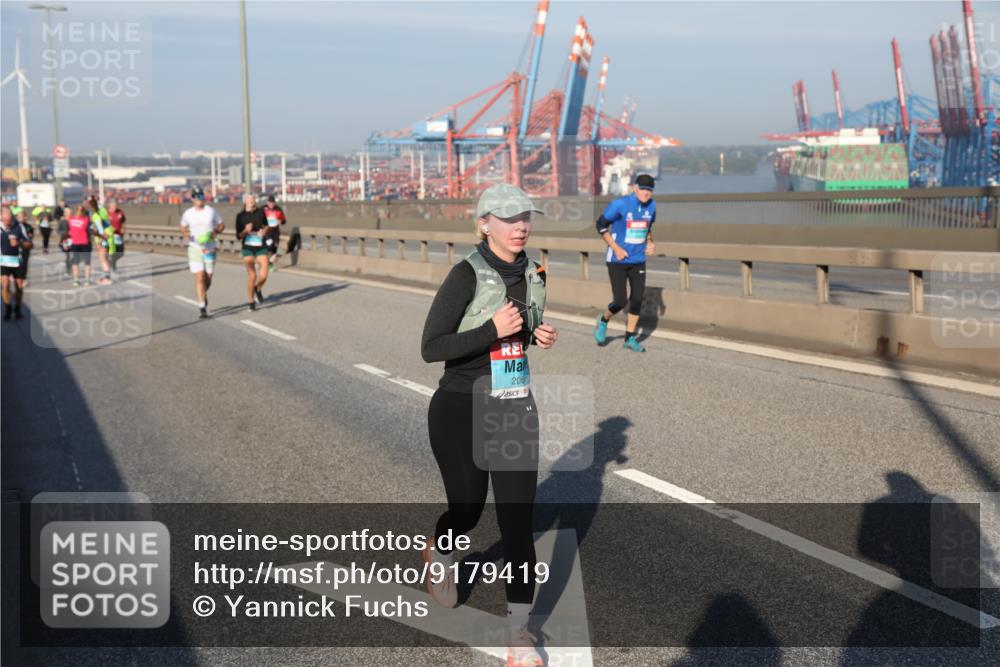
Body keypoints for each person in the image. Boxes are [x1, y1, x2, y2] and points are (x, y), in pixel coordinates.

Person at [420, 183, 558, 667]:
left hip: (514, 405)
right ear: (484, 223)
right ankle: (440, 552)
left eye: (525, 216)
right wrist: (489, 331)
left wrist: (537, 334)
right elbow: (431, 347)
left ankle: (519, 634)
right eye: (507, 217)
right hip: (460, 407)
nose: (520, 226)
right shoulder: (465, 275)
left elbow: (524, 328)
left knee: (518, 525)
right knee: (467, 511)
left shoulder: (537, 271)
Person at [593, 173, 657, 352]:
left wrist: (650, 242)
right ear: (635, 188)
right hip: (617, 260)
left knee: (637, 300)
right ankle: (604, 320)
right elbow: (600, 225)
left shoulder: (652, 206)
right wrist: (616, 248)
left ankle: (629, 339)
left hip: (638, 260)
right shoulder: (620, 204)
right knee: (620, 301)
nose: (646, 193)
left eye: (649, 190)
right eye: (643, 189)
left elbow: (649, 226)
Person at [179, 186, 223, 319]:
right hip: (195, 248)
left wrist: (215, 232)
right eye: (197, 197)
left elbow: (222, 225)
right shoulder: (188, 213)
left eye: (201, 196)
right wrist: (188, 235)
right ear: (192, 198)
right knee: (200, 276)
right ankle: (202, 306)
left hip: (210, 247)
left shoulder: (211, 211)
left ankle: (203, 294)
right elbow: (182, 227)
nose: (200, 199)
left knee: (208, 278)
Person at [235, 194, 269, 311]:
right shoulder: (240, 216)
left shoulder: (260, 212)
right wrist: (246, 230)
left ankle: (257, 288)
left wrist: (263, 232)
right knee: (253, 275)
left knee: (264, 275)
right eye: (249, 199)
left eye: (253, 199)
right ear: (245, 201)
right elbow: (238, 236)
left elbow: (267, 226)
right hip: (248, 248)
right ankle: (251, 302)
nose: (251, 201)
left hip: (261, 246)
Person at [1, 206, 30, 321]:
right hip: (3, 261)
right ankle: (8, 308)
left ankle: (17, 308)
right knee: (5, 285)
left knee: (19, 286)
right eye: (6, 217)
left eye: (10, 216)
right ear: (1, 217)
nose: (8, 219)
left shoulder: (19, 227)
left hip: (17, 260)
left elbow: (29, 244)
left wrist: (19, 243)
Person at [65, 205, 96, 286]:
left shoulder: (85, 220)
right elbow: (67, 229)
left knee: (86, 262)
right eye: (78, 210)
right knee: (76, 262)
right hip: (76, 243)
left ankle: (86, 280)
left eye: (81, 210)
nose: (80, 212)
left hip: (84, 243)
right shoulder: (72, 219)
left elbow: (91, 231)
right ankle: (77, 280)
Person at [87, 196, 113, 285]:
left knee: (102, 258)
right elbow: (107, 222)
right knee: (106, 257)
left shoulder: (95, 215)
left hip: (103, 237)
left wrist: (99, 238)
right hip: (109, 234)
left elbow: (100, 229)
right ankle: (107, 275)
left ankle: (107, 278)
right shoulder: (103, 210)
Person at [263, 195, 286, 270]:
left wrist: (281, 221)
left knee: (275, 249)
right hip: (267, 231)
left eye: (273, 203)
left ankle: (270, 264)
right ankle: (264, 261)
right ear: (267, 202)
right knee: (269, 246)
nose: (271, 204)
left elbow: (284, 220)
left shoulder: (278, 209)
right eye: (270, 203)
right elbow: (257, 217)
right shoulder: (263, 208)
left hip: (276, 232)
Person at [106, 199, 126, 278]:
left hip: (119, 236)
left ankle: (112, 263)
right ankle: (112, 268)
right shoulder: (106, 214)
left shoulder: (120, 212)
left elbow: (123, 222)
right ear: (110, 206)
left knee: (121, 253)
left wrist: (123, 228)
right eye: (114, 206)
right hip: (110, 236)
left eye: (116, 206)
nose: (116, 207)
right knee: (112, 253)